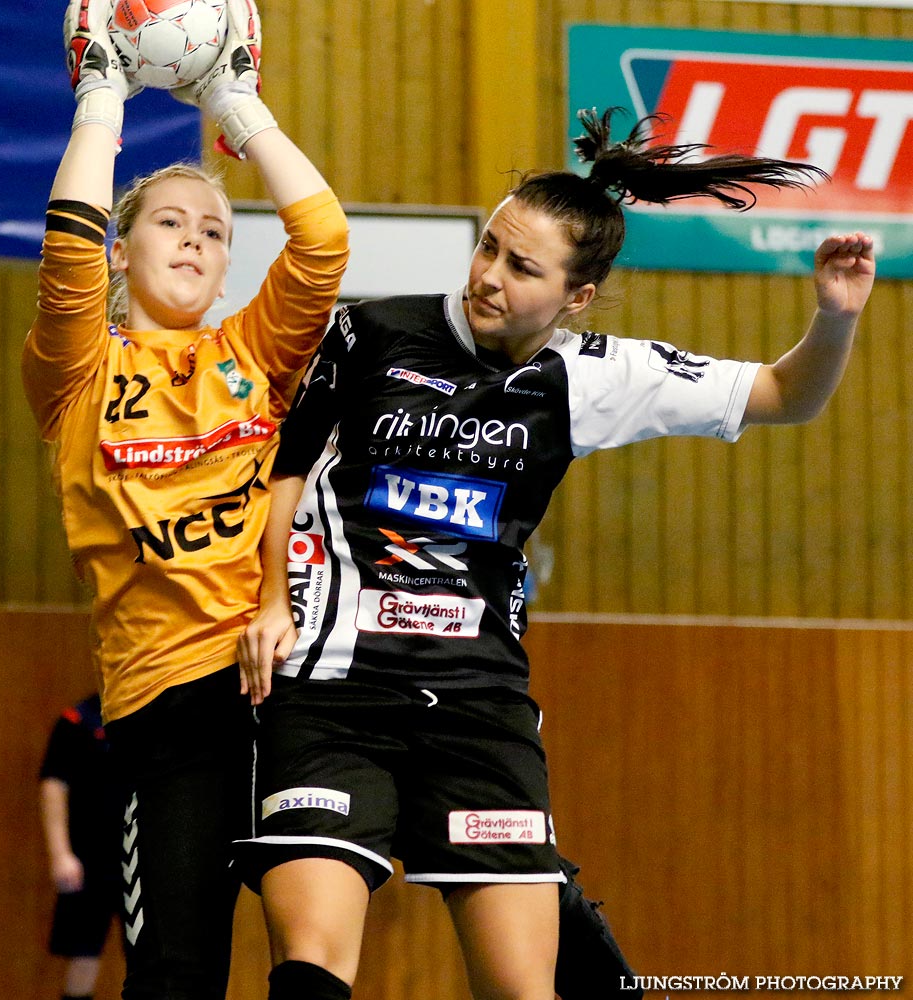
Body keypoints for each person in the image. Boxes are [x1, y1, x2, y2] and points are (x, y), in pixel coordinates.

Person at [234, 107, 875, 1000]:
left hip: (475, 705)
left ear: (575, 297)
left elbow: (782, 395)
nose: (487, 276)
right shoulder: (373, 331)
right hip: (333, 686)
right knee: (309, 969)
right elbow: (287, 468)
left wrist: (834, 317)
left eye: (520, 267)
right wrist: (268, 600)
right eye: (489, 246)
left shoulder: (592, 376)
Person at [20, 0, 349, 995]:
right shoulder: (79, 370)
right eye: (170, 220)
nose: (198, 238)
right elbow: (70, 239)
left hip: (293, 689)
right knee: (175, 969)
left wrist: (237, 104)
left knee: (315, 962)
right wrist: (99, 99)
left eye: (214, 228)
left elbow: (320, 238)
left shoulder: (251, 348)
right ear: (125, 251)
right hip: (171, 702)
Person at [39, 693, 124, 1000]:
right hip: (88, 861)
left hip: (142, 860)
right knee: (84, 955)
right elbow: (53, 785)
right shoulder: (76, 721)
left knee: (152, 957)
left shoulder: (146, 714)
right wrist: (60, 854)